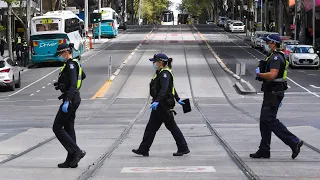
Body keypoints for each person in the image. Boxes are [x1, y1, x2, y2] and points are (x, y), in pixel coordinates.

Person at [252, 34, 303, 159]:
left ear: (274, 43)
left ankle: (293, 141)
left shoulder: (275, 57)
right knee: (264, 120)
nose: (267, 44)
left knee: (269, 119)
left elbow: (272, 75)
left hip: (274, 92)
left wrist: (260, 74)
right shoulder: (273, 56)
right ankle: (264, 149)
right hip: (271, 91)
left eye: (268, 42)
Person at [132, 53, 190, 157]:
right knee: (151, 127)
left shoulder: (165, 74)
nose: (153, 63)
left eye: (155, 61)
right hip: (159, 105)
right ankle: (143, 149)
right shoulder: (159, 72)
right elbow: (171, 87)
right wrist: (177, 99)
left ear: (161, 62)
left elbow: (164, 89)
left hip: (164, 105)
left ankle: (183, 147)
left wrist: (158, 101)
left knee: (171, 126)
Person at [52, 43, 86, 168]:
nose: (59, 56)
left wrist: (68, 99)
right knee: (69, 128)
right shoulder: (73, 64)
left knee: (57, 127)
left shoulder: (71, 65)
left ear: (66, 52)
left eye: (60, 54)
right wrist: (61, 84)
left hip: (70, 99)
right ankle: (72, 159)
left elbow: (73, 84)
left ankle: (76, 151)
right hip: (73, 98)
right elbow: (82, 76)